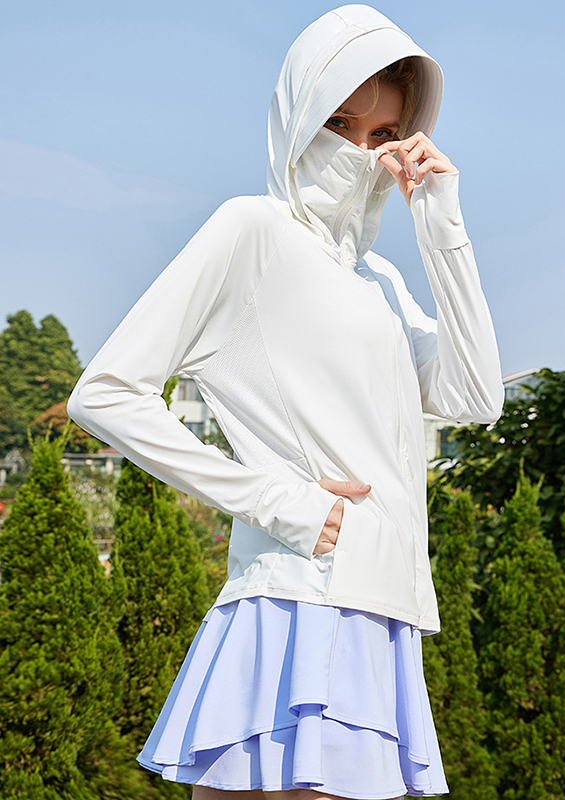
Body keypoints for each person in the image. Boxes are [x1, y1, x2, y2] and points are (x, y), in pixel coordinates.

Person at [68, 5, 503, 799]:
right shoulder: (253, 231)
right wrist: (274, 498)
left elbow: (475, 396)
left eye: (382, 134)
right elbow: (105, 393)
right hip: (299, 599)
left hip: (380, 611)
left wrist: (441, 223)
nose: (359, 151)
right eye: (339, 123)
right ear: (298, 119)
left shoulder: (383, 282)